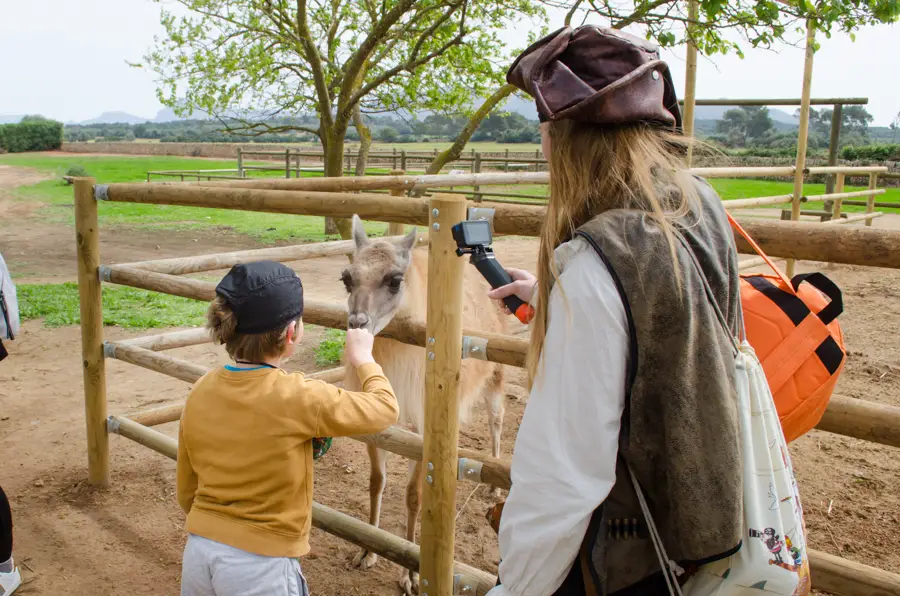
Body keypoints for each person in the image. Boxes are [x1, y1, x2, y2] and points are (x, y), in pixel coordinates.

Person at [485, 26, 743, 596]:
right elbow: (672, 322)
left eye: (547, 129)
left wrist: (516, 587)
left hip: (618, 555)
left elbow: (564, 473)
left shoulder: (595, 264)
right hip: (692, 535)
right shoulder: (701, 202)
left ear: (572, 136)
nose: (544, 147)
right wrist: (558, 298)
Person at [178, 261, 400, 596]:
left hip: (199, 551)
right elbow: (384, 409)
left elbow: (186, 488)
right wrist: (363, 358)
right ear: (292, 334)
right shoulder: (300, 396)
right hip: (260, 564)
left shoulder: (201, 388)